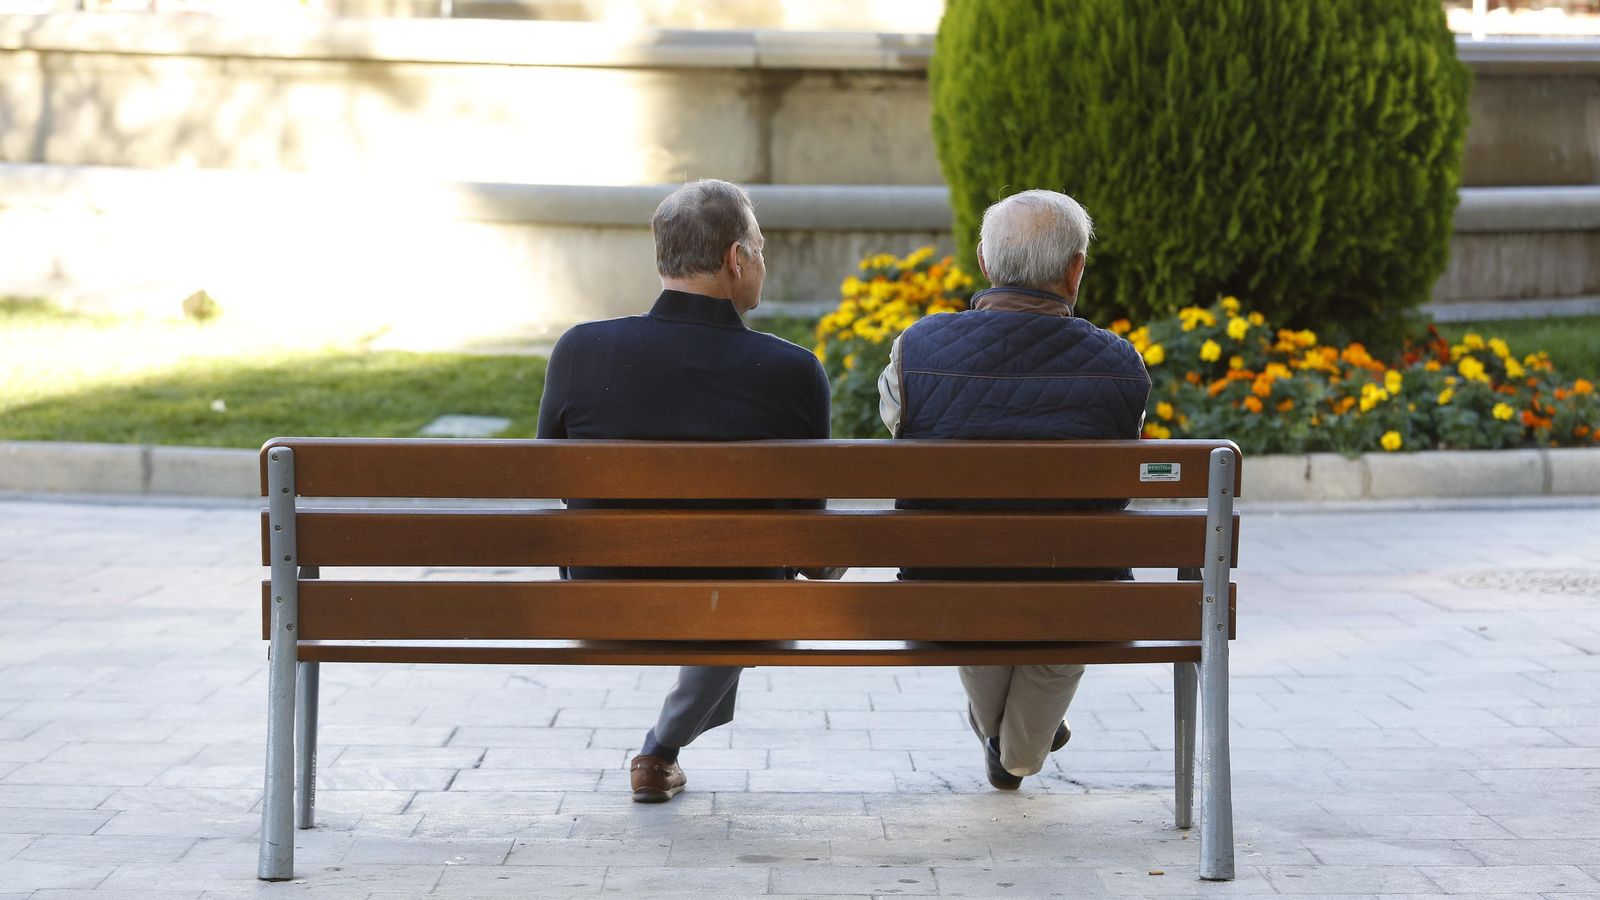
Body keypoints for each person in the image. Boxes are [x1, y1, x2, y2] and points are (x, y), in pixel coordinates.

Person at [537, 178, 833, 803]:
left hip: (603, 599)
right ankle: (661, 748)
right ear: (735, 260)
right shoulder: (792, 372)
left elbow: (555, 480)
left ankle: (660, 752)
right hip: (742, 607)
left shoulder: (579, 350)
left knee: (734, 578)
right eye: (759, 248)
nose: (761, 262)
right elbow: (815, 545)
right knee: (742, 585)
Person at [877, 189, 1151, 790]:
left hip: (948, 592)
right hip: (1079, 599)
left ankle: (1012, 741)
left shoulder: (915, 349)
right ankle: (1019, 750)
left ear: (982, 259)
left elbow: (899, 429)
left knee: (975, 593)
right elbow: (1122, 478)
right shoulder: (1121, 365)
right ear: (1075, 269)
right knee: (1022, 754)